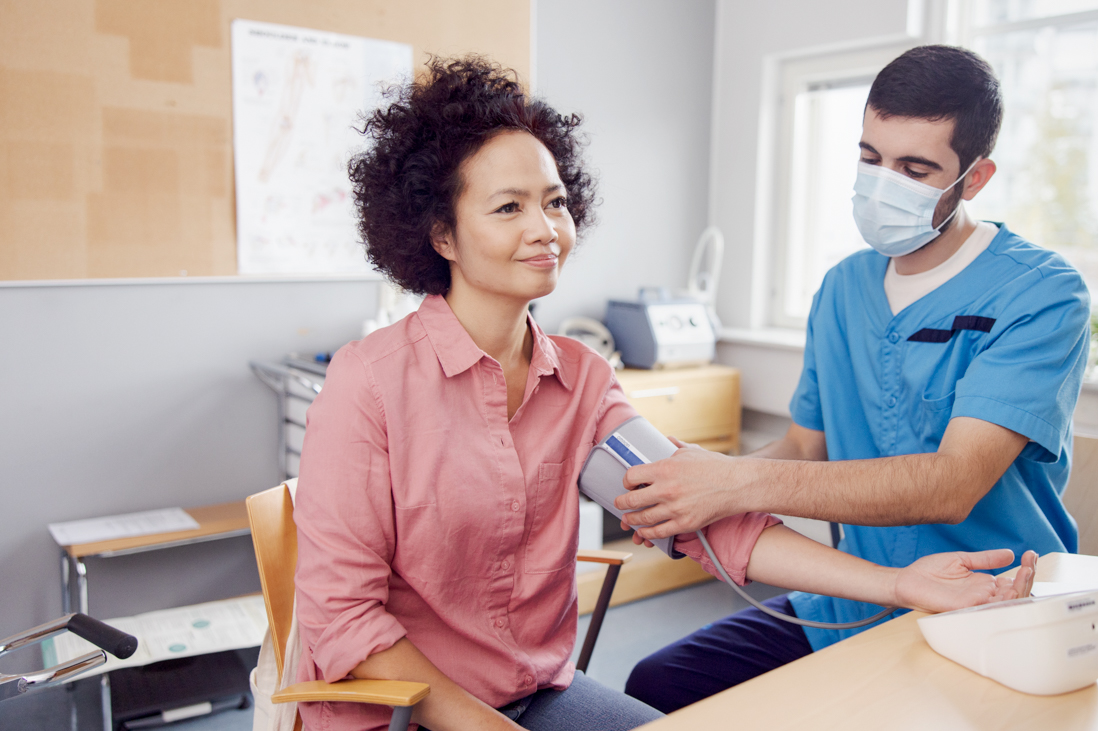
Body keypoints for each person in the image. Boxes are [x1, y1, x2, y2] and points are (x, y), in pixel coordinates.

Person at [293, 56, 1036, 731]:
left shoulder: (580, 381)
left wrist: (900, 582)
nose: (546, 228)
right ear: (441, 235)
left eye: (554, 202)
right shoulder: (370, 384)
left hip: (532, 692)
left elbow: (704, 517)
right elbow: (346, 624)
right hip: (401, 710)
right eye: (509, 207)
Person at [619, 45, 1091, 713]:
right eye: (871, 158)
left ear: (975, 178)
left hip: (987, 606)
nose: (882, 183)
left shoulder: (1041, 294)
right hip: (862, 592)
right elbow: (803, 449)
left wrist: (732, 482)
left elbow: (952, 484)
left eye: (915, 168)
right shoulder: (843, 288)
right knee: (658, 685)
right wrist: (691, 491)